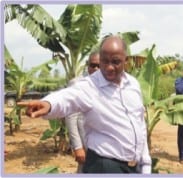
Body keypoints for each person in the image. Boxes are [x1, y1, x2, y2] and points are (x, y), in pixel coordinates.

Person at [18, 35, 152, 174]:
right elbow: (66, 98)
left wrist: (146, 163)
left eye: (116, 62)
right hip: (104, 166)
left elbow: (139, 124)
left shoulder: (133, 85)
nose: (109, 67)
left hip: (133, 168)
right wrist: (48, 104)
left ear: (126, 60)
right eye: (104, 61)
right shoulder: (90, 86)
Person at [65, 51, 100, 173]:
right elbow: (70, 117)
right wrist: (78, 147)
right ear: (87, 65)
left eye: (99, 66)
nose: (96, 69)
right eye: (93, 65)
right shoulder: (77, 83)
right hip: (84, 139)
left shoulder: (106, 84)